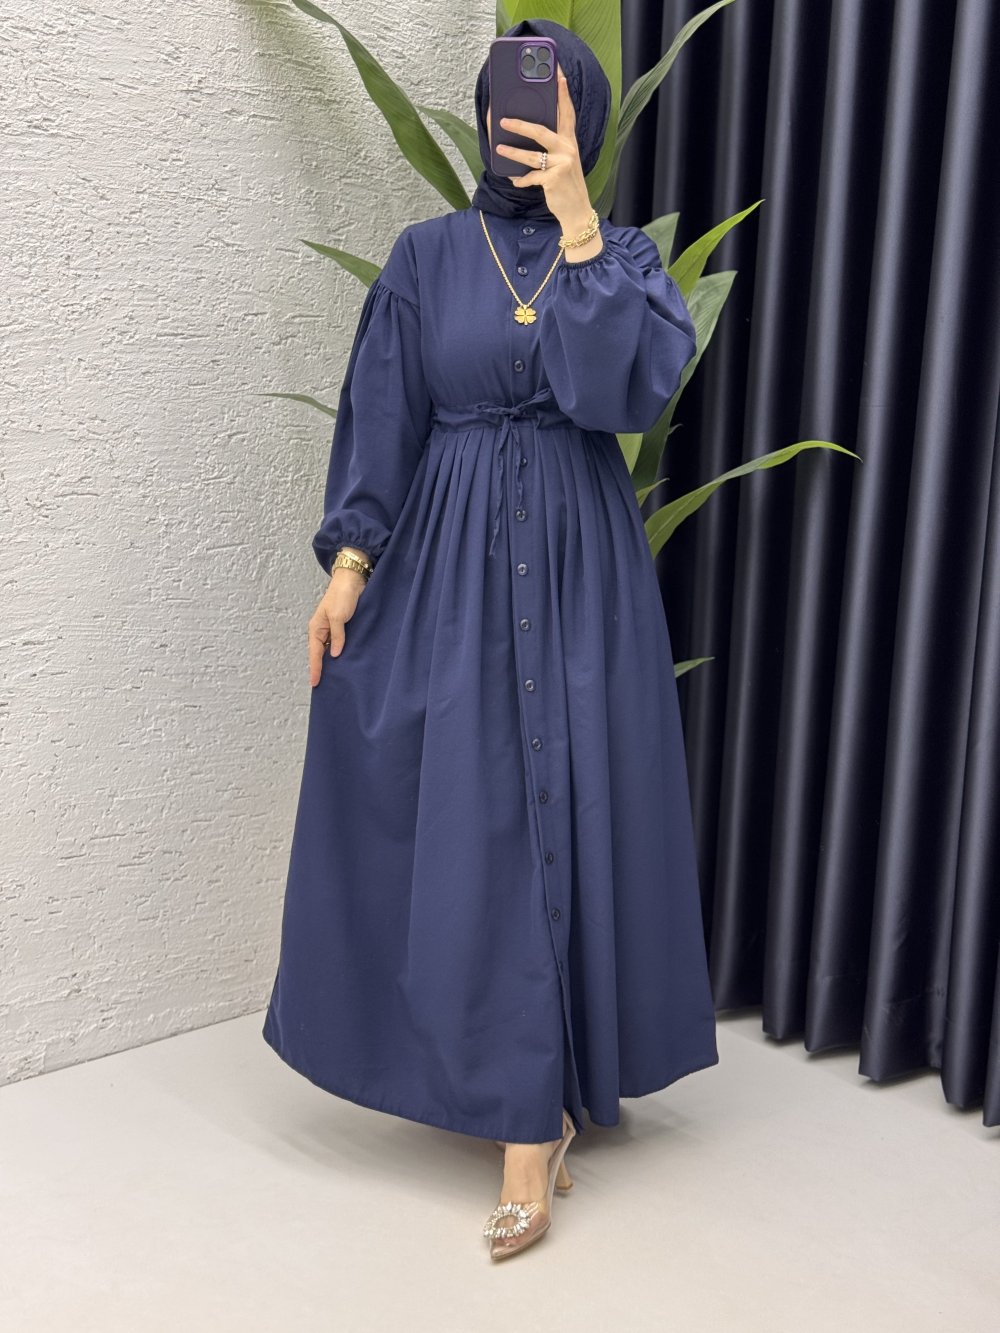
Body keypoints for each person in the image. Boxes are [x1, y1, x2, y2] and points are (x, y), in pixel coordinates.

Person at [262, 18, 719, 1261]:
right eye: (509, 103)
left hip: (579, 572)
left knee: (564, 804)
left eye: (553, 106)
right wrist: (347, 569)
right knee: (479, 818)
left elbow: (624, 393)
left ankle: (532, 1118)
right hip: (450, 571)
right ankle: (518, 1090)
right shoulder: (425, 258)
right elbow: (384, 419)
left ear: (585, 119)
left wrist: (577, 221)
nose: (525, 123)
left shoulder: (619, 256)